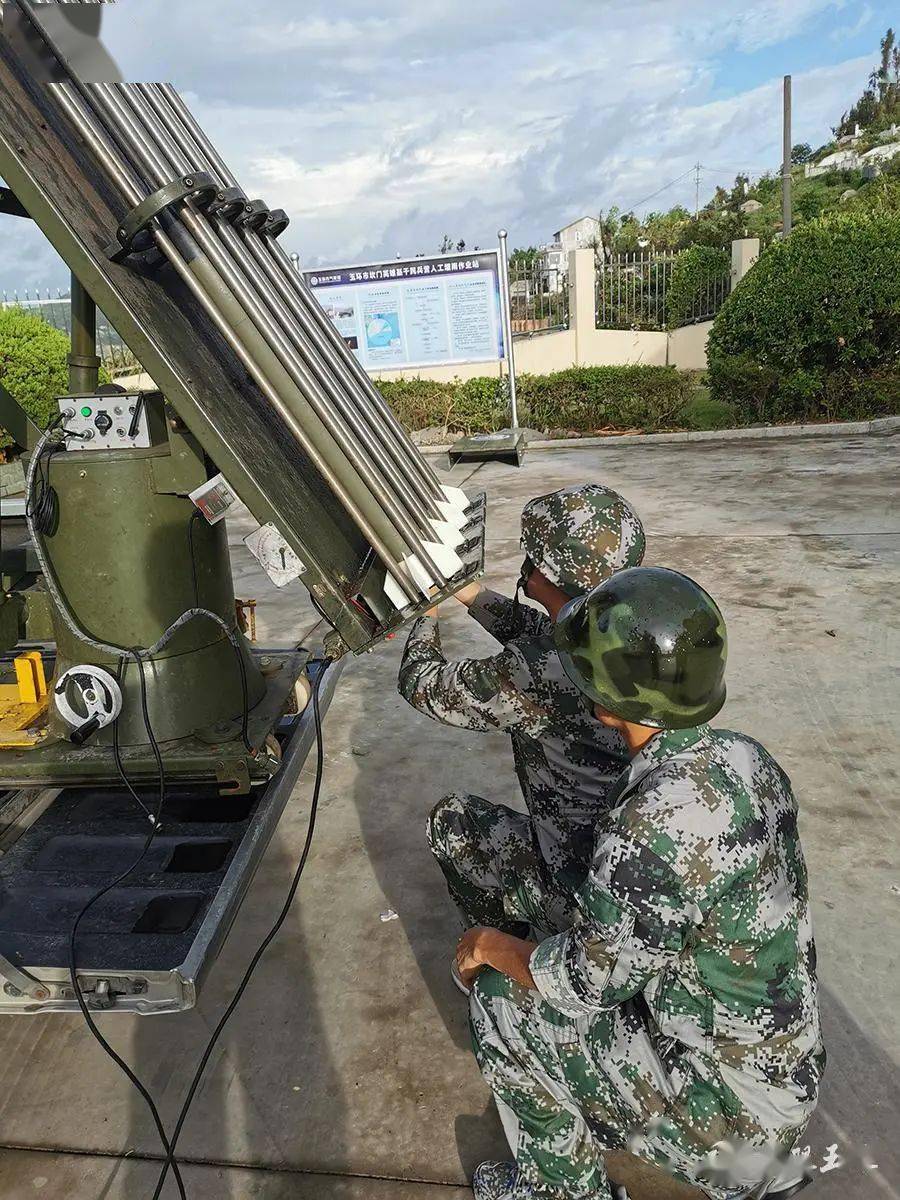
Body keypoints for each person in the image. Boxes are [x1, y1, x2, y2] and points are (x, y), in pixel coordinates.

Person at [455, 566, 824, 1200]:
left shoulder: (646, 827)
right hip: (783, 1086)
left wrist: (492, 945)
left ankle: (559, 1190)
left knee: (499, 996)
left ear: (605, 701)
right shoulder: (745, 758)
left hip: (730, 1134)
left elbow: (586, 985)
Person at [398, 485, 646, 958]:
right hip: (630, 872)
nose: (525, 565)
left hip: (584, 894)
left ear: (549, 575)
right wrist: (466, 594)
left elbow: (421, 684)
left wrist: (425, 611)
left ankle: (505, 958)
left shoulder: (539, 673)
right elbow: (540, 631)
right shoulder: (632, 625)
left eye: (533, 556)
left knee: (453, 822)